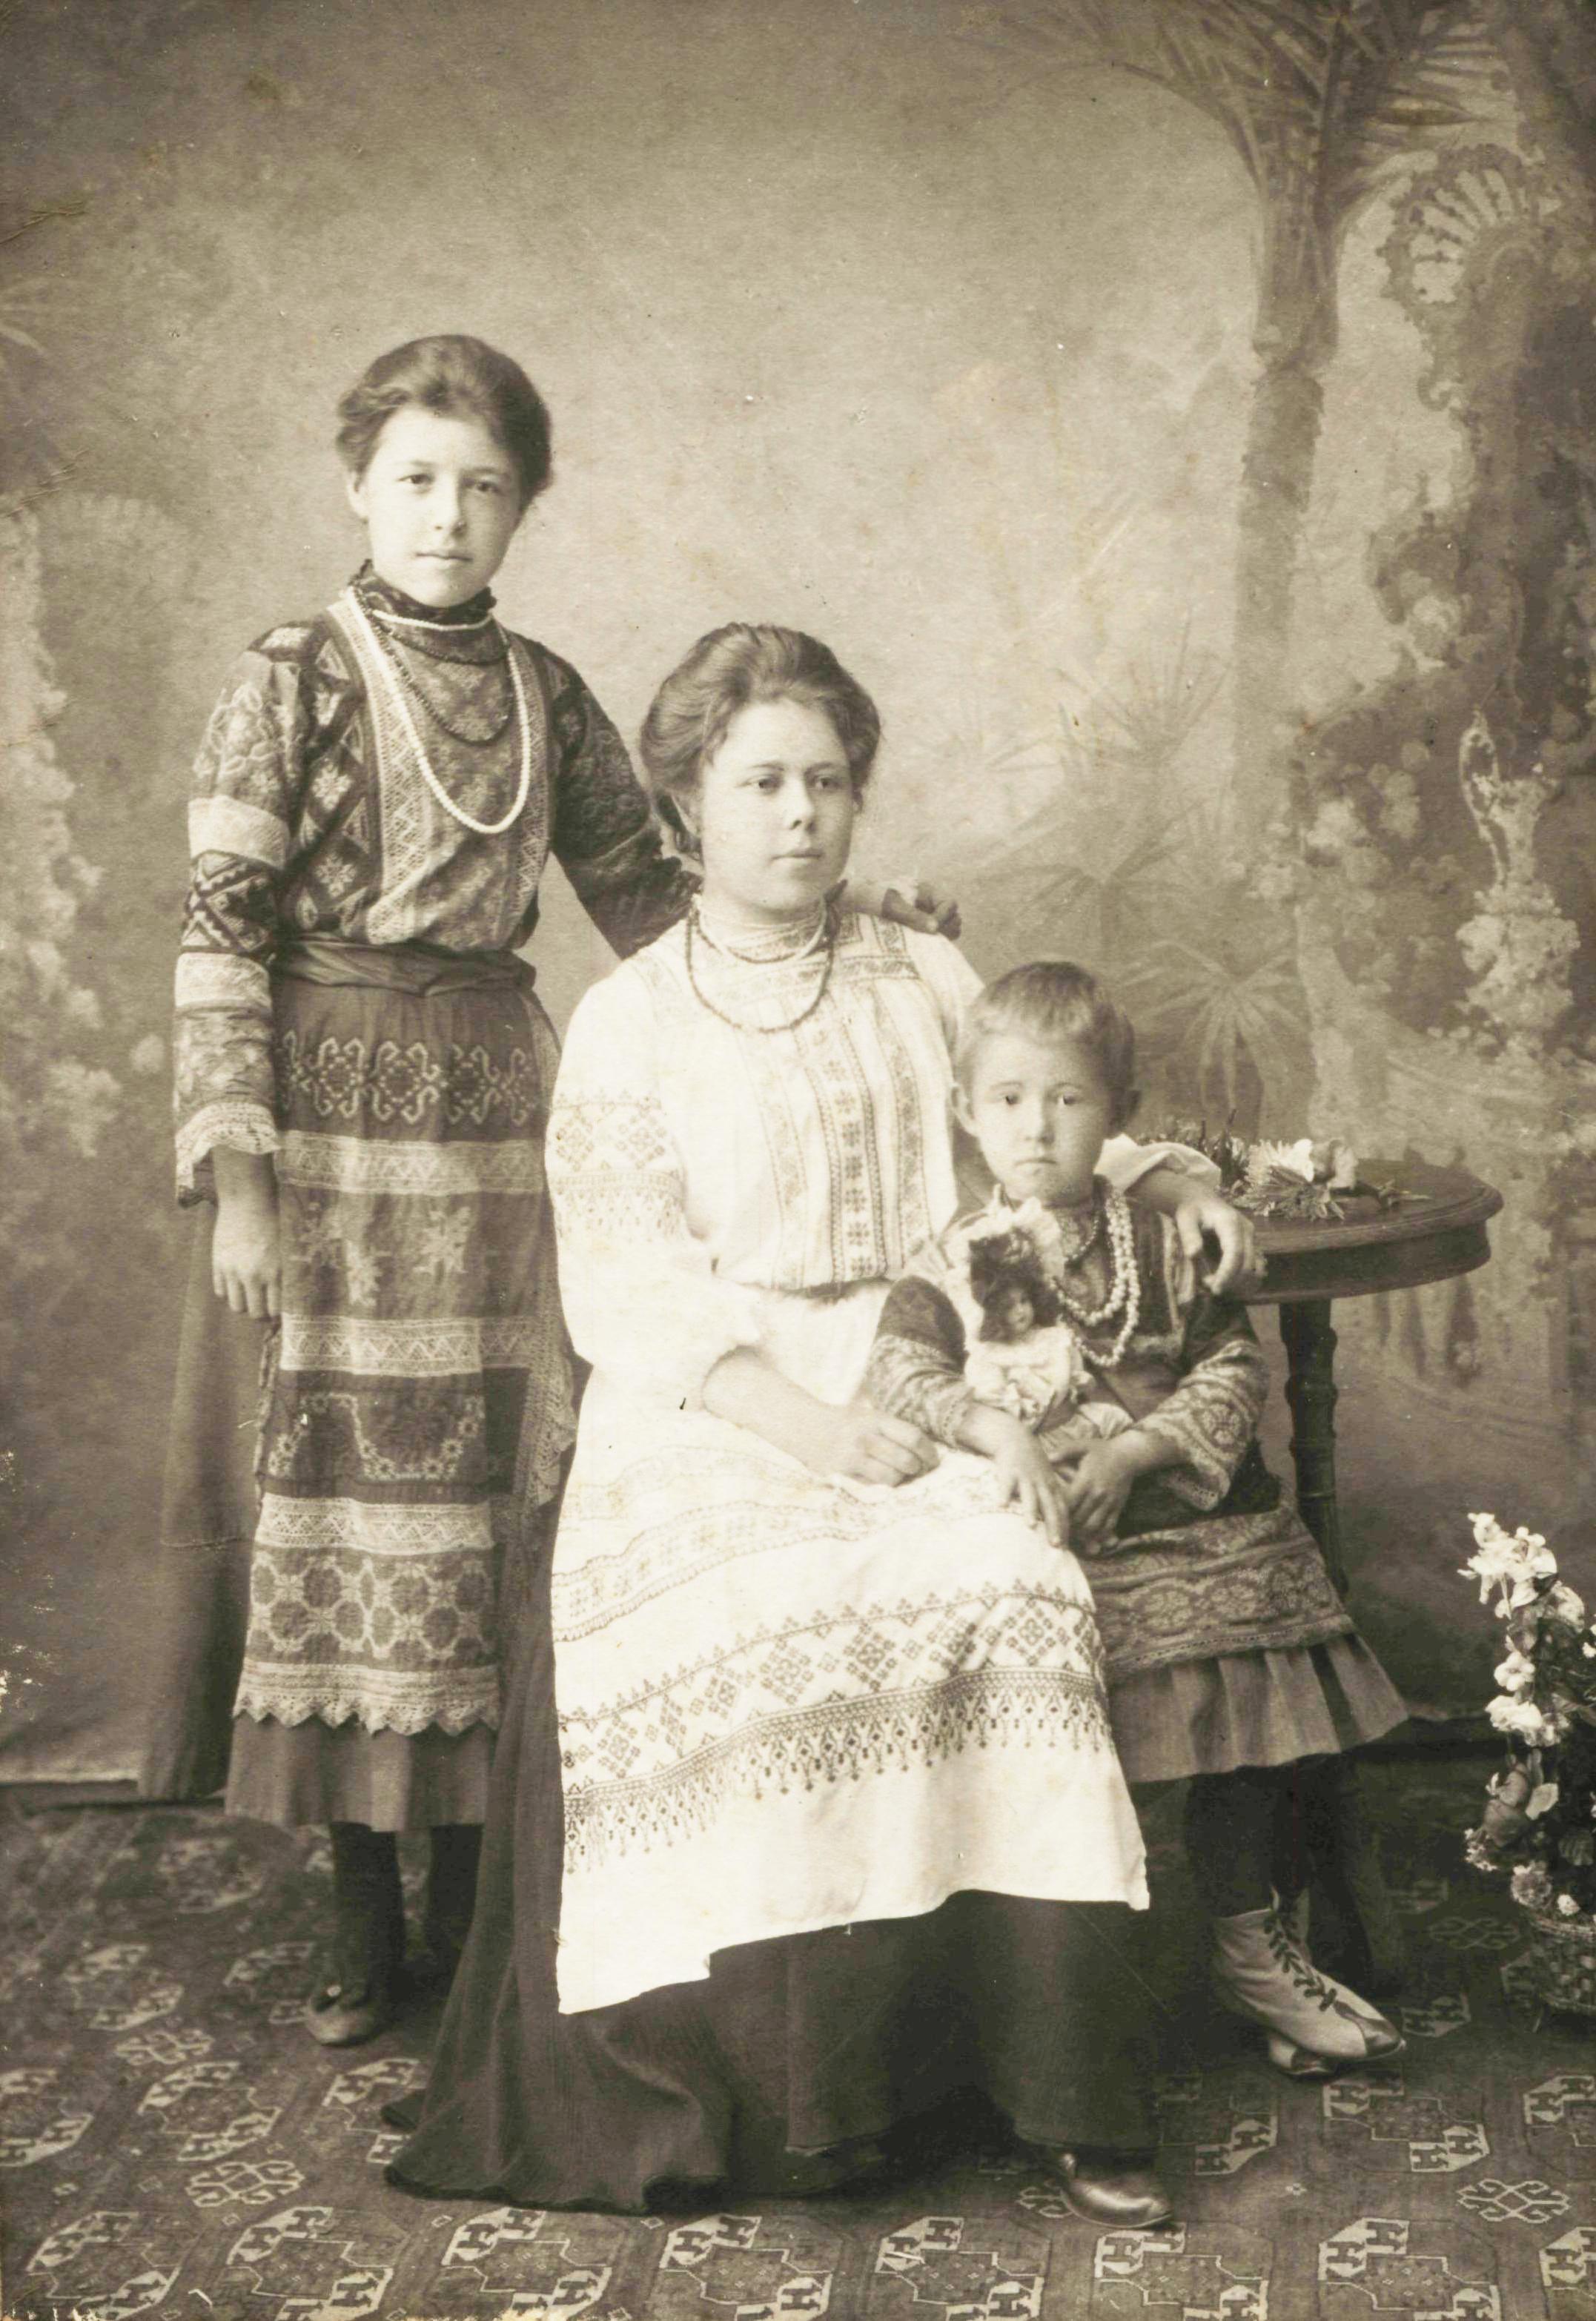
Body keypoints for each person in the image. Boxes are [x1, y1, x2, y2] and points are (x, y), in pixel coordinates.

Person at [388, 623, 1254, 2217]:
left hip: (933, 1348)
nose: (801, 814)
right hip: (710, 1387)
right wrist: (800, 1424)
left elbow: (1032, 1118)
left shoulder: (920, 972)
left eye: (829, 782)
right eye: (762, 784)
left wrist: (1176, 1178)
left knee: (1008, 1578)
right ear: (684, 806)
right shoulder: (631, 1020)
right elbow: (628, 1287)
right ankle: (809, 2103)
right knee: (764, 1598)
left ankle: (1059, 2085)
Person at [157, 337, 953, 2050]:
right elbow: (220, 932)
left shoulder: (544, 694)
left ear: (524, 505)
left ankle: (471, 1901)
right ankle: (357, 1905)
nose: (448, 515)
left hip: (502, 1130)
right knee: (341, 1499)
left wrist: (860, 917)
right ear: (358, 484)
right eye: (417, 480)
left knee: (488, 1508)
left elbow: (666, 894)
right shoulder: (289, 676)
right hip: (328, 1134)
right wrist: (240, 1180)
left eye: (485, 486)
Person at [864, 961, 1409, 2077]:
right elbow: (901, 1373)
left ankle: (1253, 1949)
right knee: (1067, 1695)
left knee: (1242, 1682)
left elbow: (1230, 1365)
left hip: (1189, 1519)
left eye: (1068, 1099)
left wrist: (1138, 1447)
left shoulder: (1157, 1239)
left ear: (1118, 1113)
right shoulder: (959, 1258)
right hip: (1060, 1535)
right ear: (968, 1112)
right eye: (1009, 1099)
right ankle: (1088, 1987)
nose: (1036, 1127)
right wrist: (998, 1430)